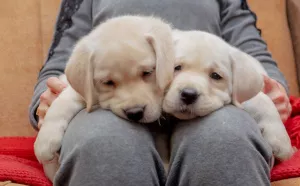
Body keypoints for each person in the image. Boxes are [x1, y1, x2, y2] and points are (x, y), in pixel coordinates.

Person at [29, 0, 292, 185]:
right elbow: (61, 58)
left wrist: (274, 89)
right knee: (103, 142)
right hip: (110, 99)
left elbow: (252, 48)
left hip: (210, 93)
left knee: (225, 138)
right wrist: (48, 96)